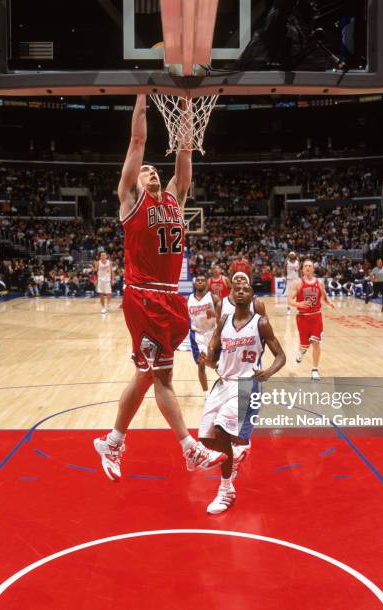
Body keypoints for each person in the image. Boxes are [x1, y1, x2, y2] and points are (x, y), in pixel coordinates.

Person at [94, 94, 226, 482]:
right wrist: (139, 97)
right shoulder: (130, 199)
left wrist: (186, 109)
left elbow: (185, 154)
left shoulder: (175, 198)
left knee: (146, 376)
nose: (150, 171)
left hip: (169, 297)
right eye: (145, 169)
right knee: (161, 378)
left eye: (154, 169)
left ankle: (112, 441)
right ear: (134, 179)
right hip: (143, 294)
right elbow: (137, 143)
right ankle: (188, 449)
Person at [198, 282, 286, 514]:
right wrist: (205, 360)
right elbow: (213, 358)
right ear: (229, 294)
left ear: (251, 296)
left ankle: (226, 490)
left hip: (246, 384)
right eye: (236, 288)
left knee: (221, 431)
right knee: (206, 439)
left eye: (245, 289)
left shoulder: (261, 323)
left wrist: (268, 372)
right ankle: (237, 453)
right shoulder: (224, 322)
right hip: (222, 383)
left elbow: (281, 356)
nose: (240, 291)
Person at [289, 259, 335, 382]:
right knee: (304, 345)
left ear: (313, 269)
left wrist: (329, 303)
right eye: (306, 266)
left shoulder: (319, 283)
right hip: (302, 317)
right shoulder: (297, 283)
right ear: (302, 269)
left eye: (310, 266)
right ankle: (301, 351)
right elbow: (290, 300)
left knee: (315, 343)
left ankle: (314, 370)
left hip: (316, 316)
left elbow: (324, 296)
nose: (308, 268)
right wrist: (299, 303)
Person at [187, 274, 221, 394]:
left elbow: (224, 316)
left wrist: (215, 314)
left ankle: (226, 386)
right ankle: (206, 394)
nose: (200, 281)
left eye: (203, 280)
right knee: (201, 364)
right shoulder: (188, 300)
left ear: (206, 284)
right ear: (195, 284)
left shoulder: (214, 297)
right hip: (197, 336)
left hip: (213, 333)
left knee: (217, 364)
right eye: (198, 280)